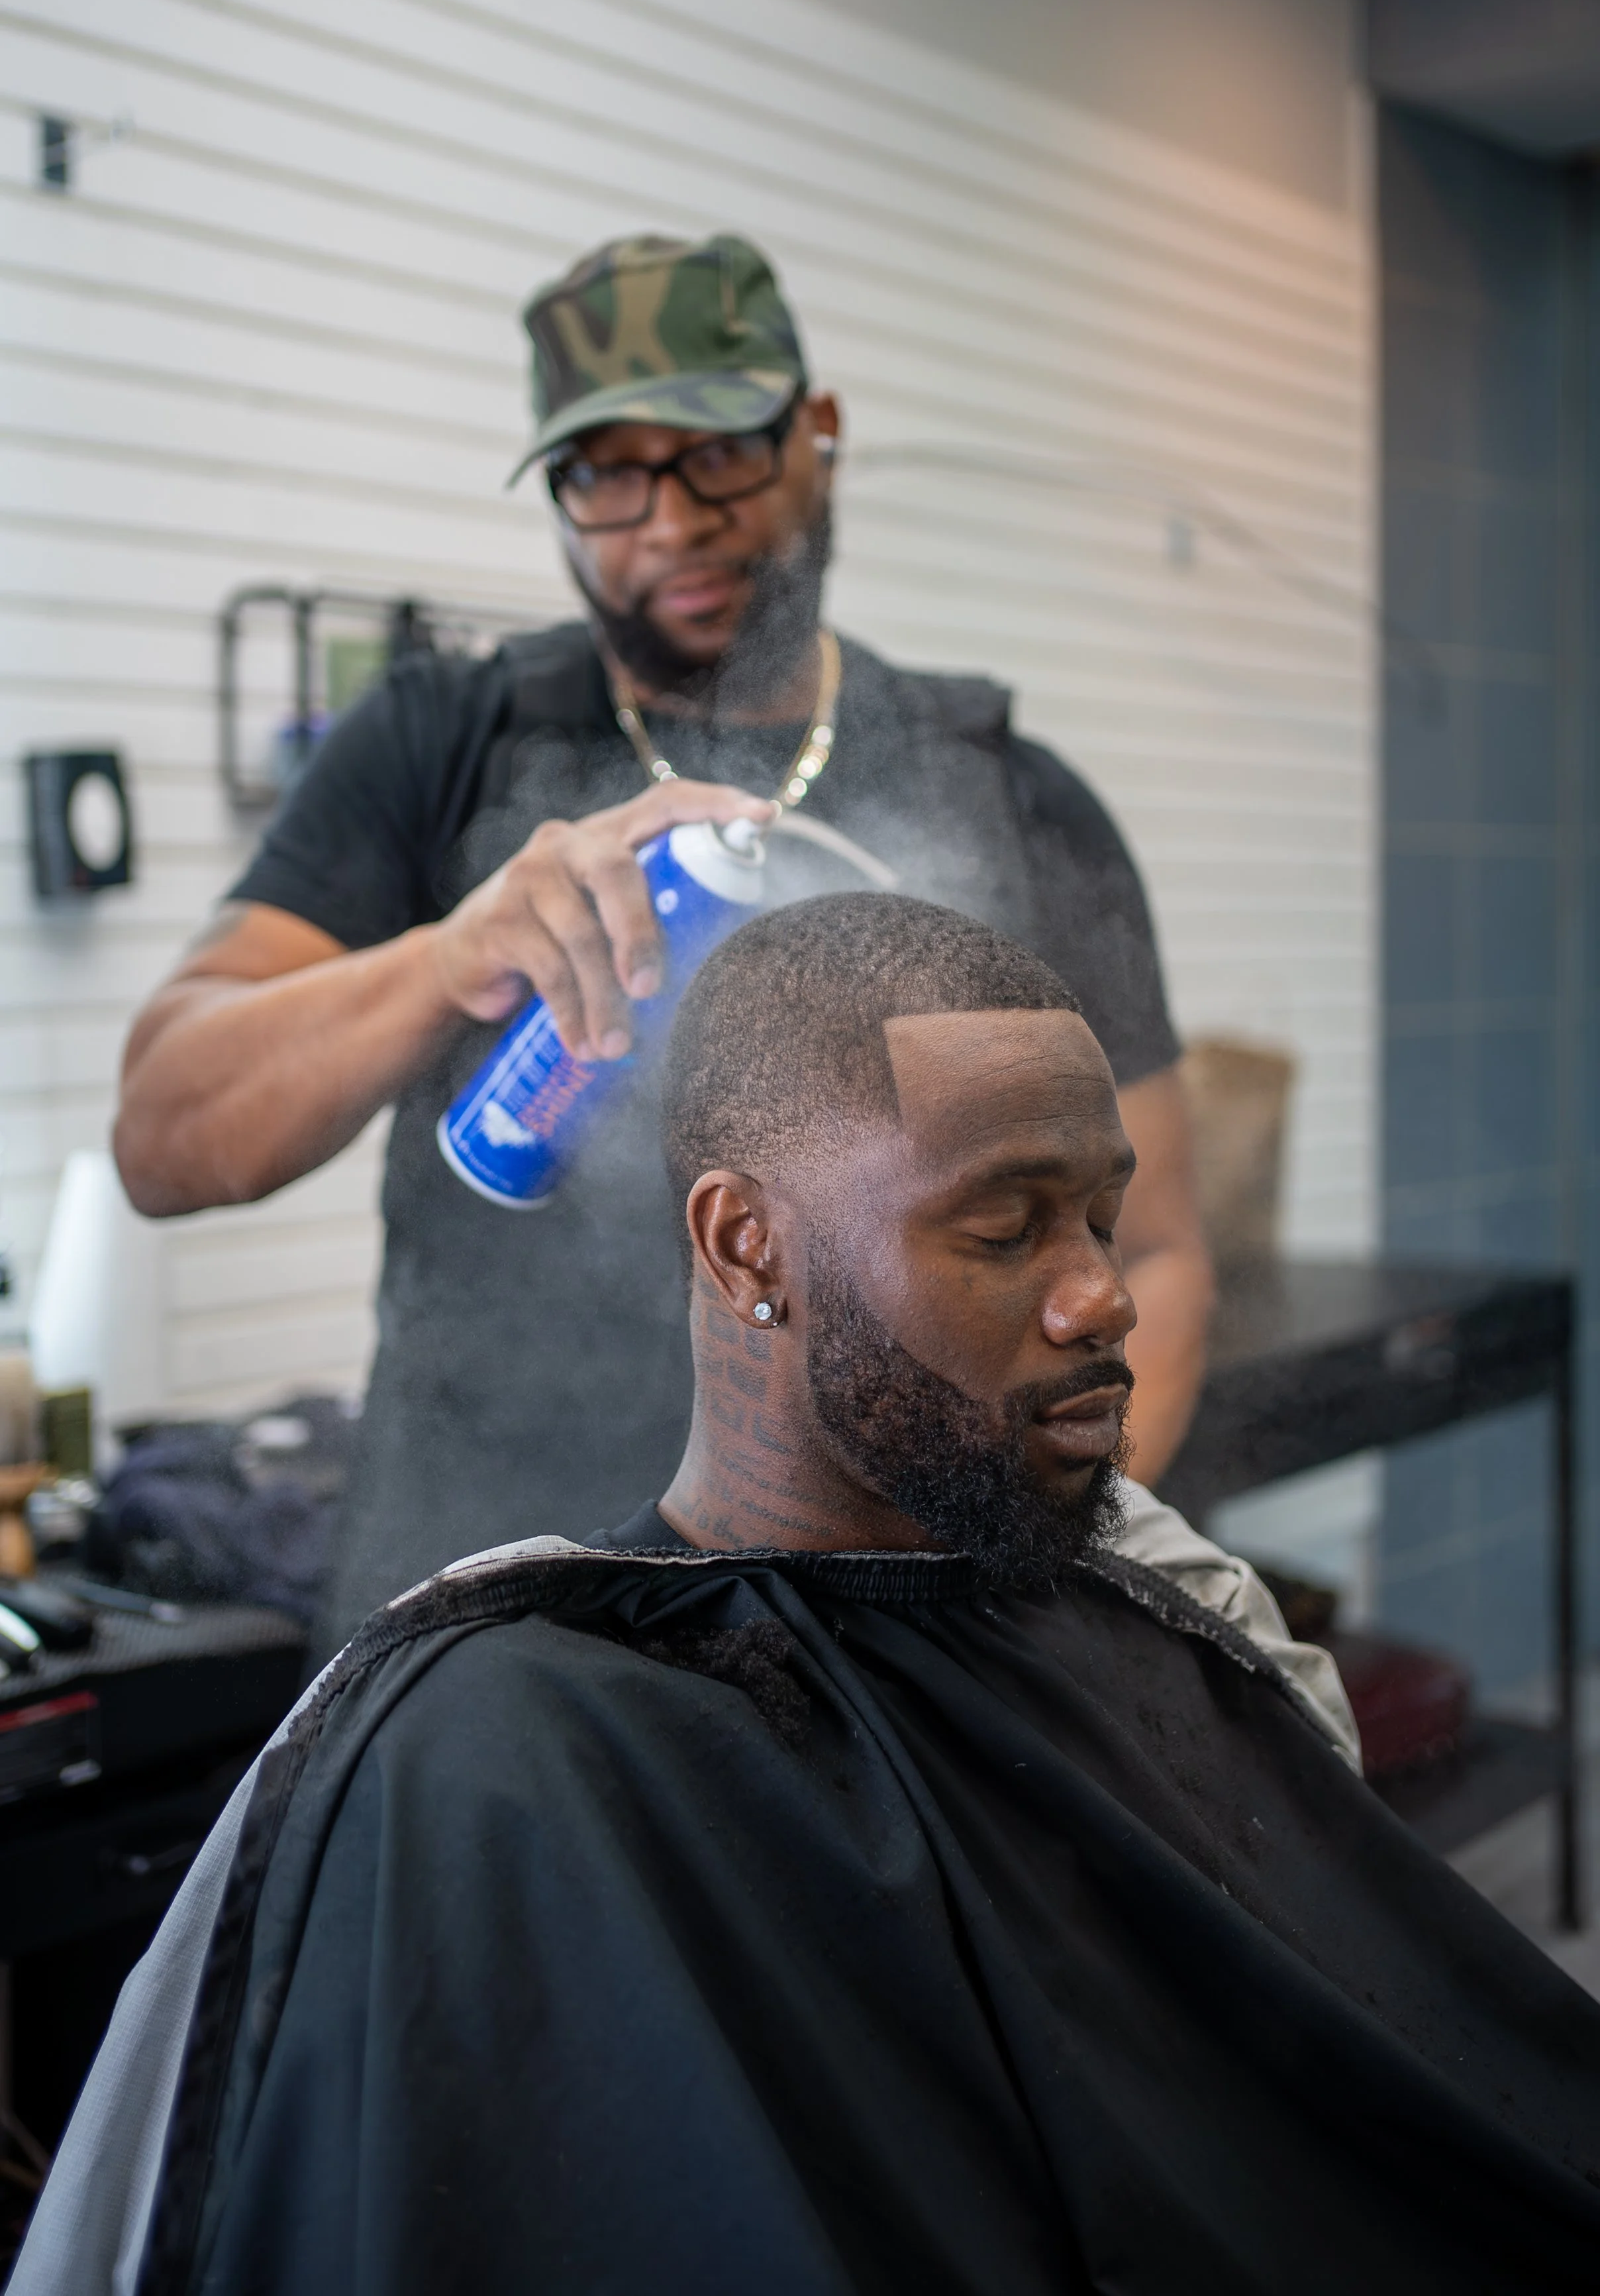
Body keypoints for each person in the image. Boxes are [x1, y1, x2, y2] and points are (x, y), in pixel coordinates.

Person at [25, 894, 1599, 2296]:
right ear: (745, 1242)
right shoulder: (508, 1744)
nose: (1102, 1291)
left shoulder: (1160, 1617)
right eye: (1006, 1224)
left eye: (1101, 1217)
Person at [115, 231, 1211, 1657]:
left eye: (716, 454)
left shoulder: (1008, 796)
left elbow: (1166, 1254)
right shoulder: (441, 742)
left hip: (902, 1620)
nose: (668, 520)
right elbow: (163, 1133)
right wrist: (449, 956)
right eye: (603, 475)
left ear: (816, 434)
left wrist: (1053, 1569)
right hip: (484, 1620)